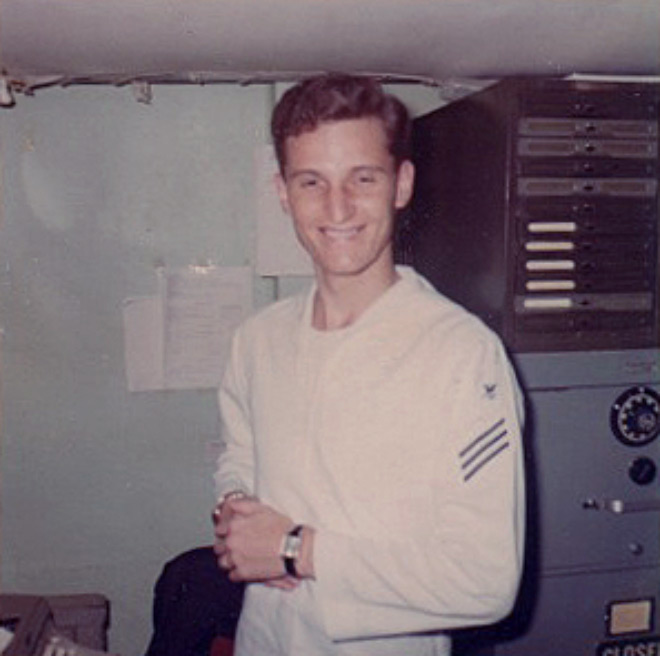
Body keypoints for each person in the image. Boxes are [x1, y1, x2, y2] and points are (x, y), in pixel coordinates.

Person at [212, 73, 526, 656]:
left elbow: (485, 580)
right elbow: (239, 457)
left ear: (401, 184)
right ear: (282, 192)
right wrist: (233, 508)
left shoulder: (460, 355)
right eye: (312, 181)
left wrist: (296, 550)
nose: (338, 208)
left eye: (363, 178)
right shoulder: (257, 341)